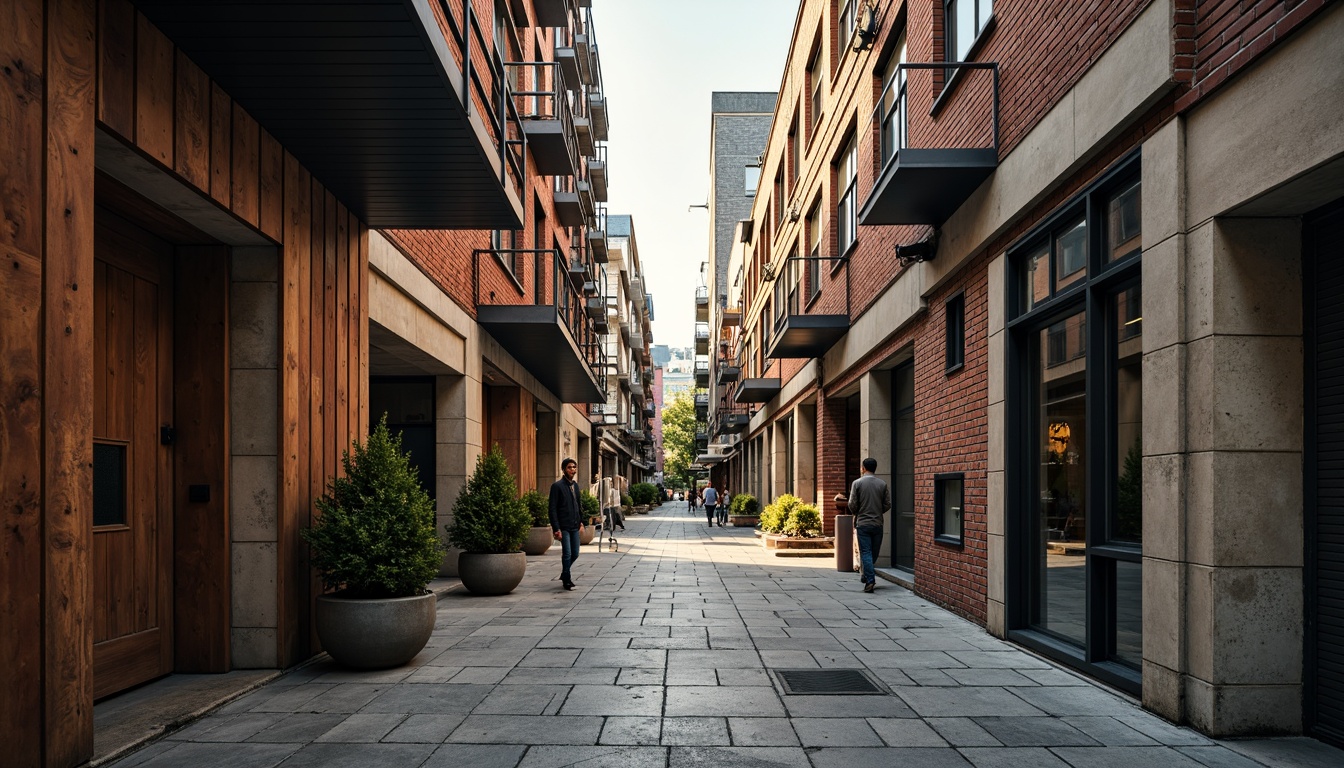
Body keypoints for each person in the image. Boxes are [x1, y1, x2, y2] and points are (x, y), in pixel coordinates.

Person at [848, 457, 891, 593]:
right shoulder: (882, 484)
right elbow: (888, 504)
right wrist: (878, 511)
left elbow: (852, 504)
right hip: (877, 523)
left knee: (866, 552)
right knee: (874, 553)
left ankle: (868, 578)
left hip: (863, 523)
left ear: (863, 468)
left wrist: (858, 512)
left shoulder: (857, 483)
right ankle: (868, 577)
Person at [548, 458, 584, 590]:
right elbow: (552, 509)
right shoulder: (557, 486)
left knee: (575, 553)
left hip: (575, 525)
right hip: (563, 526)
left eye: (574, 467)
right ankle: (567, 579)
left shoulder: (575, 486)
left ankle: (564, 573)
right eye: (570, 467)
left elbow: (579, 505)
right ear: (563, 469)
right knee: (567, 553)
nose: (573, 470)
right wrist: (556, 528)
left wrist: (582, 522)